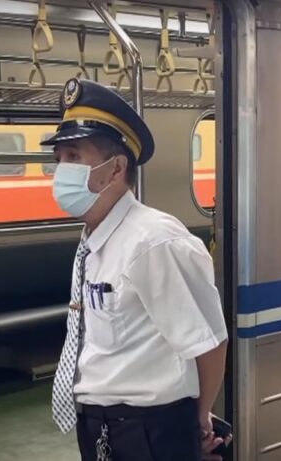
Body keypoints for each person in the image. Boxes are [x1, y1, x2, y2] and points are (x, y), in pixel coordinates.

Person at [45, 78, 230, 461]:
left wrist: (195, 422)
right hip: (102, 427)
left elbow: (209, 343)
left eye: (74, 156)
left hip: (149, 433)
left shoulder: (153, 242)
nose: (61, 170)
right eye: (59, 158)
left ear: (116, 169)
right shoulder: (96, 241)